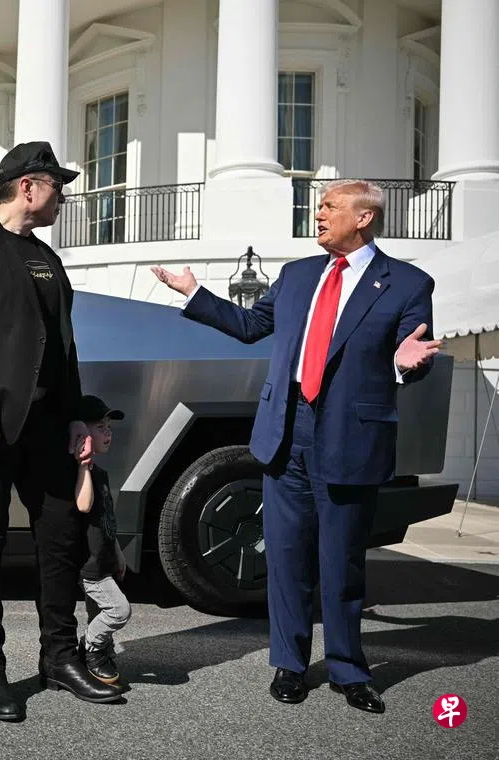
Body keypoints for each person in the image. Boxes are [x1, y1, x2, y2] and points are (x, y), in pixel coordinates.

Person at [150, 179, 442, 714]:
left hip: (351, 438)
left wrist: (404, 364)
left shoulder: (407, 282)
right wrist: (193, 293)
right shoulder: (297, 274)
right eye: (319, 205)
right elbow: (249, 325)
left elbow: (411, 351)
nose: (319, 213)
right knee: (284, 559)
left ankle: (349, 670)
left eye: (330, 206)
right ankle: (289, 664)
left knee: (341, 563)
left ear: (364, 218)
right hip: (285, 432)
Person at [0, 141, 127, 721]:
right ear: (28, 186)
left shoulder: (47, 258)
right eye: (57, 186)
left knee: (60, 543)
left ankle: (60, 657)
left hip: (48, 428)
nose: (63, 197)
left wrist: (76, 418)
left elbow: (65, 349)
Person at [72, 395, 132, 687]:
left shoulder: (103, 474)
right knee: (119, 611)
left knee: (97, 612)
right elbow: (84, 506)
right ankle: (91, 647)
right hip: (91, 567)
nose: (108, 433)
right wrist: (83, 467)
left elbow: (107, 518)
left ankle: (101, 651)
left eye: (109, 427)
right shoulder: (79, 474)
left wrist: (118, 553)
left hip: (105, 559)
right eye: (100, 427)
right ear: (81, 433)